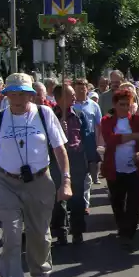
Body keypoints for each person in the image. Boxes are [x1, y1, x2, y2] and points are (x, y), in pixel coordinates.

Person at [0, 73, 72, 277]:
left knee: (38, 233)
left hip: (39, 182)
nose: (18, 98)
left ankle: (40, 271)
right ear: (5, 95)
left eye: (23, 93)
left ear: (31, 94)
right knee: (10, 235)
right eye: (13, 93)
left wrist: (66, 180)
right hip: (5, 182)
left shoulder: (44, 114)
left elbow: (59, 149)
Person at [101, 89, 139, 250]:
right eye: (121, 104)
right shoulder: (107, 120)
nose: (124, 108)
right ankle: (122, 227)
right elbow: (110, 139)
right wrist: (134, 136)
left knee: (134, 202)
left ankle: (129, 232)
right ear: (115, 105)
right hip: (114, 169)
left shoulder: (137, 120)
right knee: (117, 201)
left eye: (127, 105)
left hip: (134, 169)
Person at [50, 85, 91, 245]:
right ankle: (60, 231)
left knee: (78, 199)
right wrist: (59, 127)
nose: (74, 97)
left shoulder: (79, 115)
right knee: (58, 199)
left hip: (77, 159)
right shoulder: (50, 115)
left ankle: (78, 231)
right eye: (71, 95)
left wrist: (91, 161)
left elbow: (87, 138)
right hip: (57, 161)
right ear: (60, 98)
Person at [73, 79, 102, 186]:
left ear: (87, 89)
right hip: (75, 137)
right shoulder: (71, 104)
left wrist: (99, 142)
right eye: (78, 89)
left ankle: (93, 178)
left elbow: (99, 124)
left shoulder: (93, 105)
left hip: (90, 136)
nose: (81, 91)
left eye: (83, 89)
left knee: (92, 160)